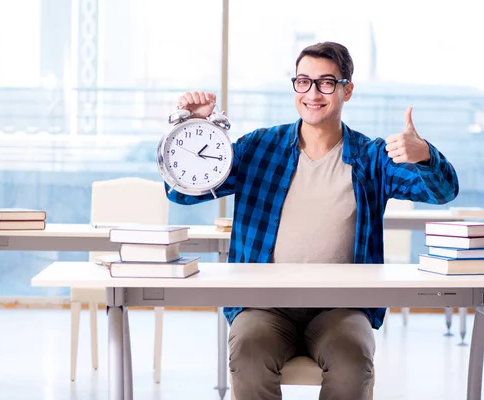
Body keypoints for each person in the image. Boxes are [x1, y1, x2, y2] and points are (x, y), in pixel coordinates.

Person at [166, 41, 459, 400]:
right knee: (249, 353)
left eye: (326, 82)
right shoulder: (259, 148)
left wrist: (426, 155)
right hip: (264, 305)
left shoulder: (371, 157)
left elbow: (442, 191)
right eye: (303, 81)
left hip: (341, 306)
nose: (313, 93)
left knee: (353, 359)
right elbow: (183, 192)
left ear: (347, 90)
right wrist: (197, 129)